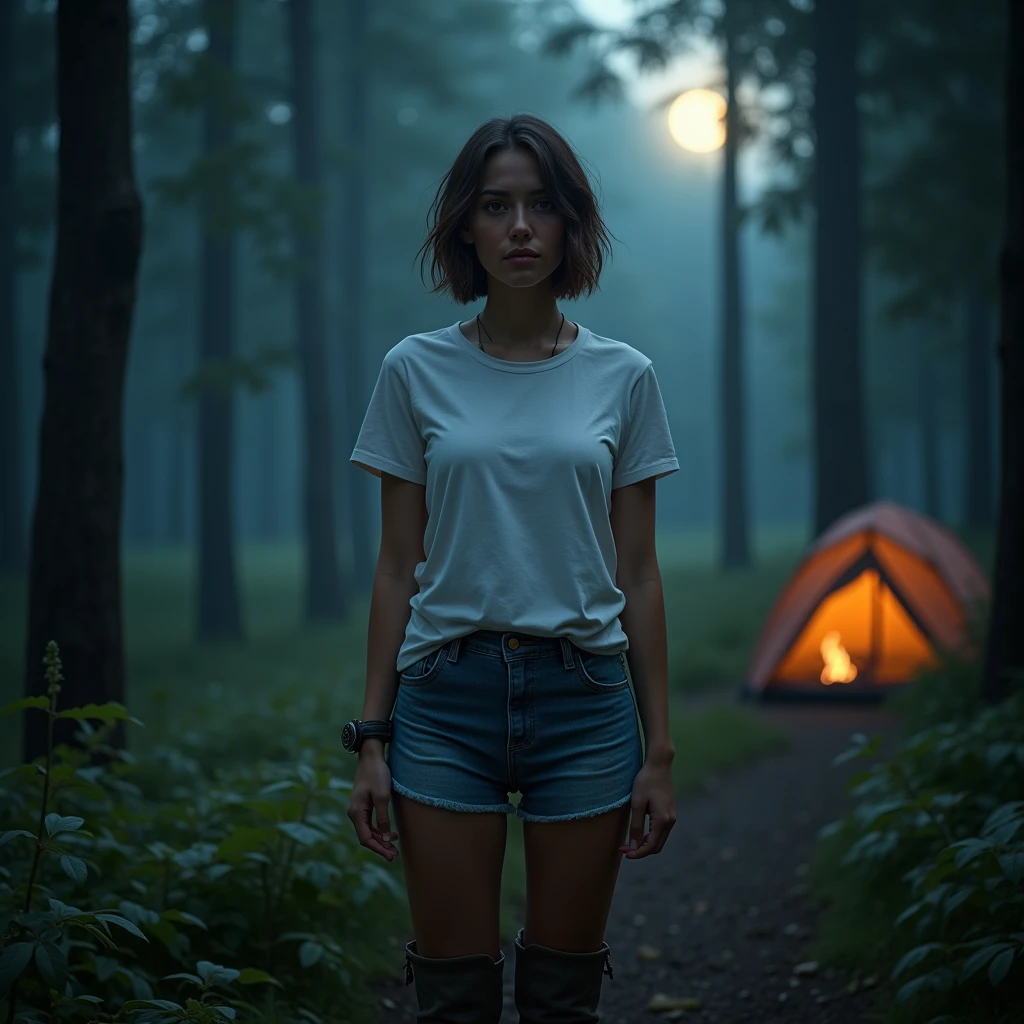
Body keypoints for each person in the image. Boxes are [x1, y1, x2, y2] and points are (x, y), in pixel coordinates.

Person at [343, 113, 680, 1024]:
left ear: (572, 223)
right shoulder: (413, 370)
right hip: (446, 701)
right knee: (454, 999)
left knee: (562, 998)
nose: (521, 227)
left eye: (542, 205)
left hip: (586, 703)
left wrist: (659, 749)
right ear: (466, 227)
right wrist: (371, 739)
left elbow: (639, 574)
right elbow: (393, 566)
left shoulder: (625, 375)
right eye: (496, 206)